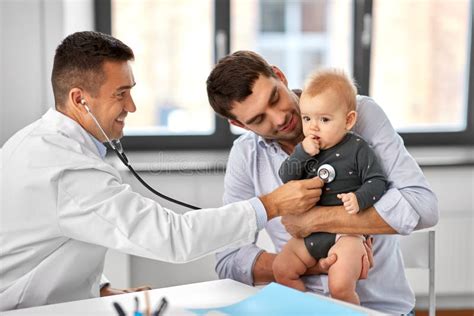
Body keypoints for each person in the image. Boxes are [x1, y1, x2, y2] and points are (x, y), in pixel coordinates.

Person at [0, 32, 320, 311]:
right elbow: (172, 238)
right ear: (79, 100)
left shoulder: (43, 145)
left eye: (131, 90)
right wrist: (271, 205)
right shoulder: (63, 166)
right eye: (120, 94)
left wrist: (100, 288)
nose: (132, 106)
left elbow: (51, 240)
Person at [206, 50, 439, 315]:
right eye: (259, 119)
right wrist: (303, 265)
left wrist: (314, 220)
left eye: (275, 97)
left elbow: (424, 206)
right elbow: (229, 259)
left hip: (380, 310)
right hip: (302, 309)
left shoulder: (357, 114)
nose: (280, 118)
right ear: (240, 124)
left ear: (280, 76)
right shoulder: (246, 155)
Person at [274, 69, 387, 305]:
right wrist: (301, 153)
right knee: (281, 269)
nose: (313, 128)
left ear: (348, 120)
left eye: (324, 120)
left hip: (346, 234)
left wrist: (360, 199)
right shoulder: (305, 151)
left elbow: (377, 181)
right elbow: (286, 176)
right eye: (307, 119)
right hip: (311, 235)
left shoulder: (358, 148)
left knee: (340, 285)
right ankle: (305, 310)